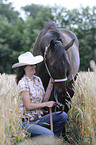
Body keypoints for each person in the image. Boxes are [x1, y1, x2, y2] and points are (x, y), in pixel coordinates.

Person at [12, 51, 67, 137]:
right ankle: (49, 139)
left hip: (38, 119)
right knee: (49, 134)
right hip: (26, 122)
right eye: (31, 65)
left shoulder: (37, 79)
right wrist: (46, 104)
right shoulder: (23, 83)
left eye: (34, 64)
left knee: (62, 116)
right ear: (24, 68)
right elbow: (28, 106)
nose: (34, 66)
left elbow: (44, 99)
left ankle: (52, 141)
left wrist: (51, 83)